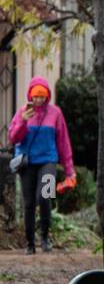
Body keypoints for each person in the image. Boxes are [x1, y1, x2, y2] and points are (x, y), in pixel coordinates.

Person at [8, 76, 76, 254]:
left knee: (45, 197)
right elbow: (13, 138)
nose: (39, 100)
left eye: (42, 96)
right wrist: (23, 120)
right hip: (27, 162)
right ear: (30, 95)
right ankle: (30, 243)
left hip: (48, 160)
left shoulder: (56, 113)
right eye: (35, 96)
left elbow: (63, 142)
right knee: (29, 202)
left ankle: (45, 237)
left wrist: (70, 171)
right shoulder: (22, 111)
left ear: (47, 96)